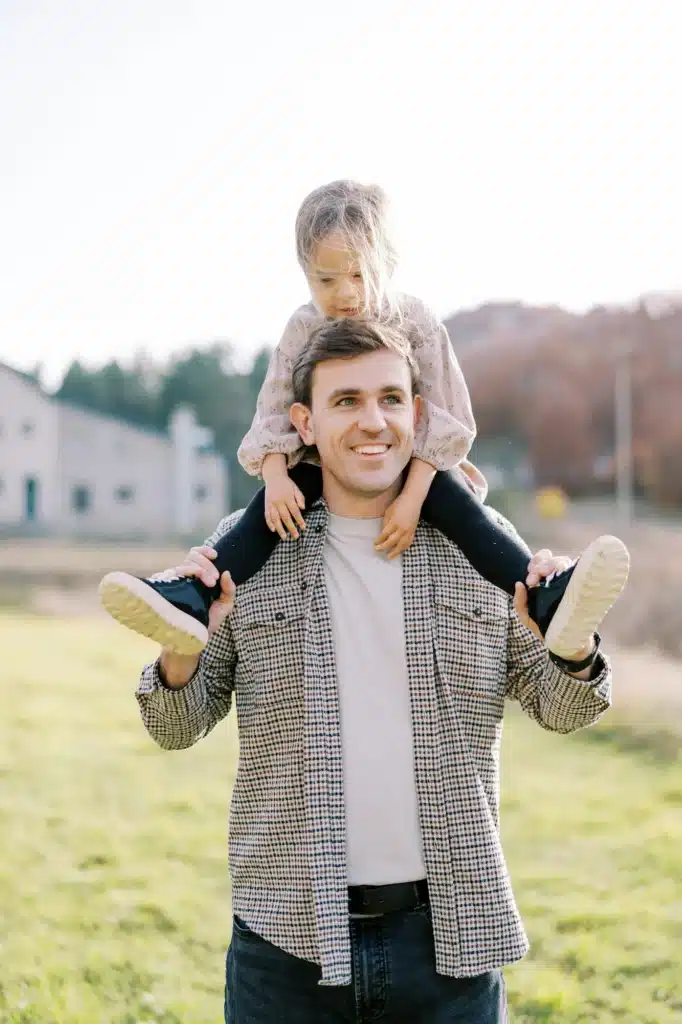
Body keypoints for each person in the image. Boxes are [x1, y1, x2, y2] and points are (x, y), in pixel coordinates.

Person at [136, 318, 622, 1023]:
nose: (374, 422)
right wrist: (182, 648)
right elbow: (174, 726)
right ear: (302, 421)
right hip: (287, 942)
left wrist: (570, 649)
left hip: (450, 942)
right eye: (346, 402)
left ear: (418, 414)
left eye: (391, 400)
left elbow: (565, 709)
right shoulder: (243, 556)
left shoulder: (480, 550)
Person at [99, 179, 630, 660]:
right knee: (264, 516)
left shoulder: (415, 320)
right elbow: (276, 406)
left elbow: (444, 415)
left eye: (358, 274)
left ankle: (543, 598)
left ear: (386, 264)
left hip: (421, 464)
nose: (345, 294)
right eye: (326, 279)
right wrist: (278, 475)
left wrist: (413, 496)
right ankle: (196, 595)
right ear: (305, 273)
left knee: (465, 514)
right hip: (317, 463)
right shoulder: (303, 326)